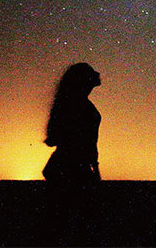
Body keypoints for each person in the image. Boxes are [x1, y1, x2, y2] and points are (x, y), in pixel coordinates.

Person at [42, 62, 102, 243]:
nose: (97, 76)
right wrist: (94, 168)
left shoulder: (72, 102)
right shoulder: (78, 105)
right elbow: (86, 142)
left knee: (66, 223)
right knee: (76, 225)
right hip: (72, 168)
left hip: (65, 166)